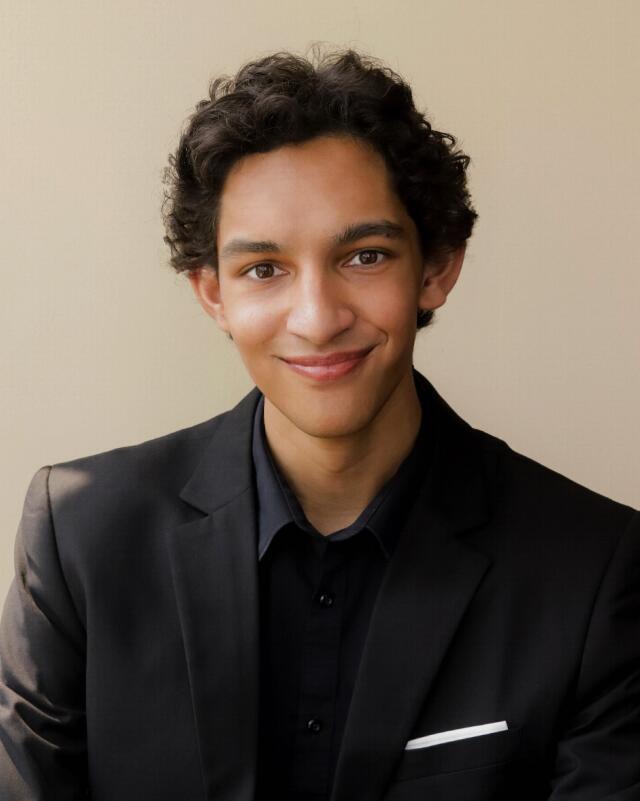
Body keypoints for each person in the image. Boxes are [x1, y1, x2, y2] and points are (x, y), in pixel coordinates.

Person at [0, 45, 638, 801]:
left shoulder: (597, 571)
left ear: (436, 268)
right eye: (263, 269)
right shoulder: (79, 535)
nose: (316, 318)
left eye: (364, 256)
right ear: (213, 295)